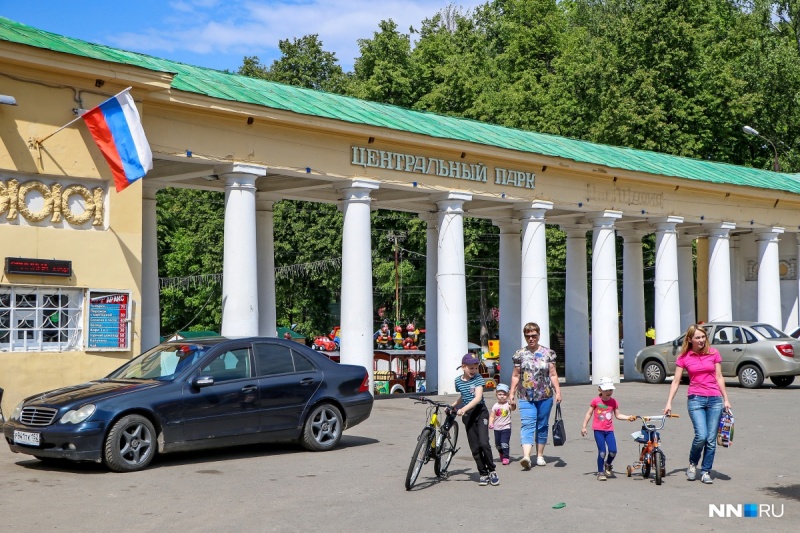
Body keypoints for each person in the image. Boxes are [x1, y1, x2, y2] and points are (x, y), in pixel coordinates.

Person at [663, 324, 732, 485]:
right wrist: (669, 403)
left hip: (715, 399)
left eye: (703, 337)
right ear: (690, 339)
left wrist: (726, 399)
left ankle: (706, 470)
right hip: (695, 399)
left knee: (710, 438)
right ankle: (693, 463)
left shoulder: (714, 353)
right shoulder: (684, 357)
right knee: (701, 436)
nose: (701, 340)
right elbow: (675, 381)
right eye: (698, 338)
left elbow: (719, 377)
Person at [509, 322, 562, 469]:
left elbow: (553, 374)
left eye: (534, 335)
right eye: (528, 336)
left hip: (545, 396)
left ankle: (539, 455)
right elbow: (515, 375)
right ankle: (526, 456)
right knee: (527, 424)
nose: (531, 338)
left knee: (542, 425)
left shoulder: (548, 353)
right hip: (525, 396)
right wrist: (511, 393)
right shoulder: (520, 354)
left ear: (539, 335)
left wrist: (558, 391)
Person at [453, 353, 498, 486]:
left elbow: (477, 398)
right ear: (463, 366)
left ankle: (492, 471)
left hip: (480, 412)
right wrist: (454, 405)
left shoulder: (478, 379)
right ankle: (483, 473)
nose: (474, 371)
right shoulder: (458, 381)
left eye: (475, 368)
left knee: (484, 443)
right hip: (468, 416)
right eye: (471, 368)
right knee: (475, 447)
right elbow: (464, 396)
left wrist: (463, 409)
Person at [580, 377, 636, 480]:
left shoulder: (613, 402)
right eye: (606, 390)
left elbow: (618, 415)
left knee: (613, 451)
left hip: (609, 430)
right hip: (598, 430)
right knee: (602, 452)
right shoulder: (595, 401)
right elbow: (589, 413)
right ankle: (600, 472)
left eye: (610, 390)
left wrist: (628, 417)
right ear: (600, 389)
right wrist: (584, 426)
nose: (609, 392)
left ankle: (608, 464)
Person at [488, 383, 512, 465]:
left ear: (507, 395)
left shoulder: (508, 404)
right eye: (500, 394)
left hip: (506, 427)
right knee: (498, 445)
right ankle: (501, 453)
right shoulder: (495, 406)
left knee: (504, 443)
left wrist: (513, 403)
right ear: (496, 395)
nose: (502, 396)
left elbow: (513, 408)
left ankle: (506, 457)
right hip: (497, 428)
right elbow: (492, 416)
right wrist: (490, 423)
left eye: (504, 394)